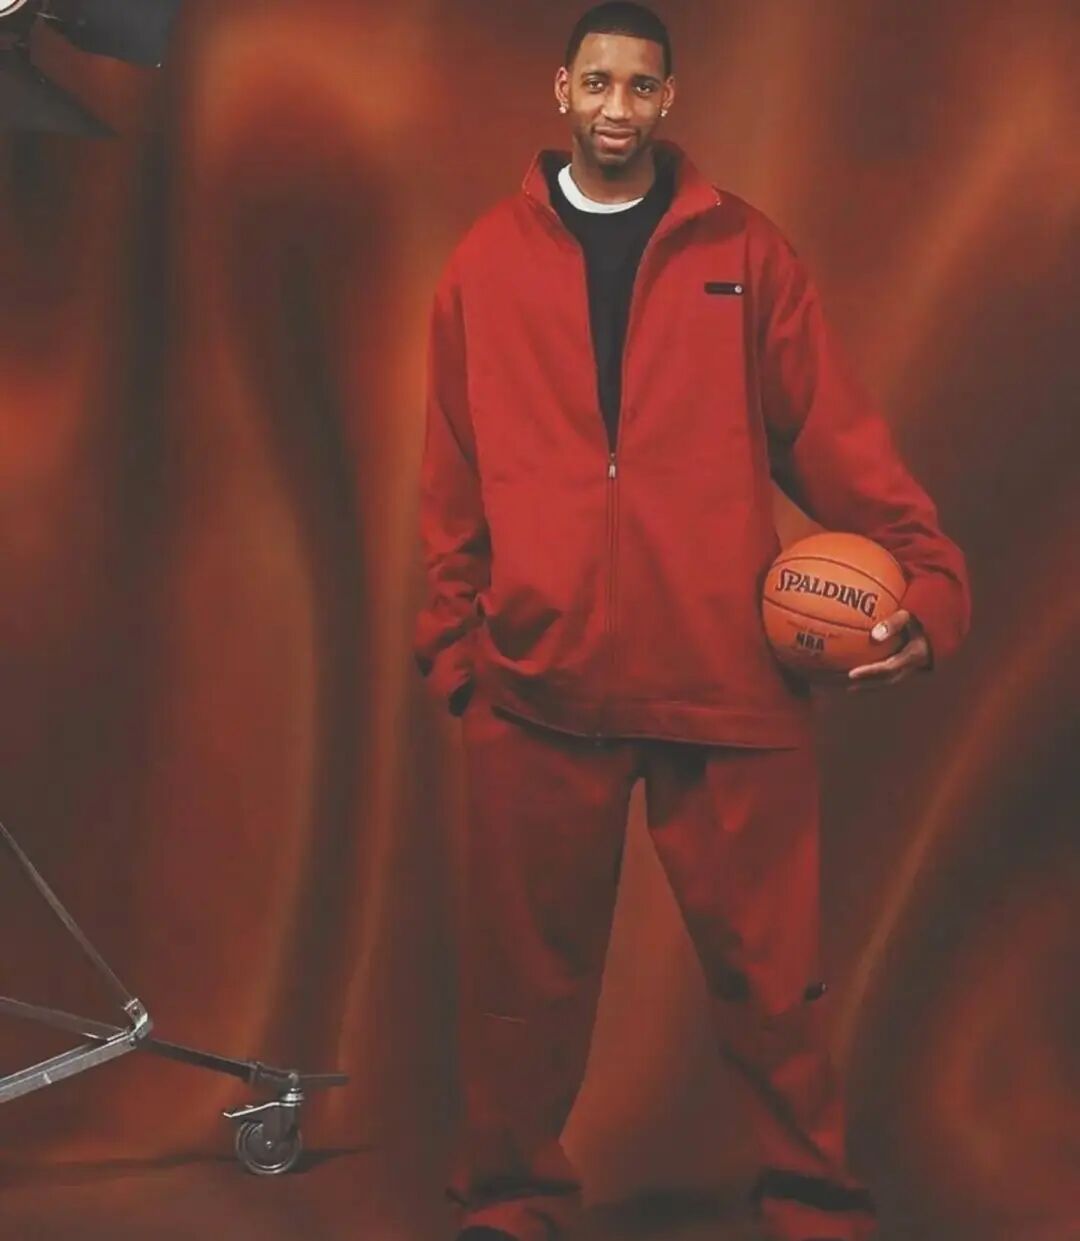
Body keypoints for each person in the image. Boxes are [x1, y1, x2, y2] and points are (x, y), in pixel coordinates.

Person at [413, 4, 971, 1239]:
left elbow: (840, 443)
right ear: (562, 90)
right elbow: (452, 470)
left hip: (725, 682)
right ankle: (508, 1202)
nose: (617, 107)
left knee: (776, 988)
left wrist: (931, 588)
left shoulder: (746, 252)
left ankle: (817, 1206)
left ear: (669, 100)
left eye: (641, 87)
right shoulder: (484, 262)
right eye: (598, 82)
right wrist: (456, 652)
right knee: (519, 993)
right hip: (537, 687)